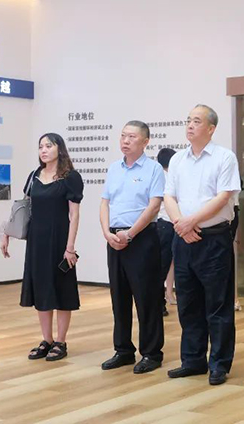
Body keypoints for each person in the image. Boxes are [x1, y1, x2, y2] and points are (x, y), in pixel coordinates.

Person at [164, 104, 241, 386]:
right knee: (188, 303)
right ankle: (192, 360)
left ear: (211, 128)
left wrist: (191, 221)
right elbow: (169, 196)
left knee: (218, 304)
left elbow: (223, 197)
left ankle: (219, 364)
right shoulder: (177, 160)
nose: (190, 125)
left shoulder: (224, 157)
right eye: (188, 120)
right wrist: (180, 224)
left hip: (214, 239)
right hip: (183, 238)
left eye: (196, 121)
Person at [0, 133, 83, 362]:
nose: (43, 150)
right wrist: (7, 233)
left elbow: (74, 215)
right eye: (40, 147)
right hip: (37, 241)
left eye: (48, 146)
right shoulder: (34, 175)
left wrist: (70, 247)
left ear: (59, 149)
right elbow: (22, 207)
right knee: (42, 289)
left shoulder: (70, 177)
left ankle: (61, 341)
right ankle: (46, 340)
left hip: (60, 240)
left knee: (62, 290)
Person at [99, 121, 166, 374]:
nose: (125, 141)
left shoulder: (153, 169)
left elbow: (154, 205)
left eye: (132, 137)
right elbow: (105, 203)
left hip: (142, 238)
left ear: (145, 142)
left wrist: (130, 233)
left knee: (147, 297)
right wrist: (107, 233)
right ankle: (123, 350)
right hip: (114, 238)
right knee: (119, 296)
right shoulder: (114, 168)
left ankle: (151, 353)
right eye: (123, 136)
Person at [156, 147, 177, 316]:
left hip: (162, 224)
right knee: (162, 266)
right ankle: (158, 304)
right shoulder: (169, 177)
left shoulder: (160, 176)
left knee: (161, 266)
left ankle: (160, 302)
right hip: (167, 224)